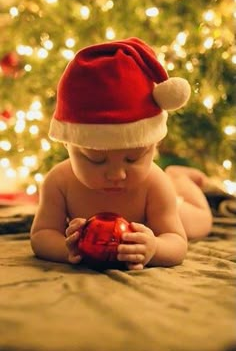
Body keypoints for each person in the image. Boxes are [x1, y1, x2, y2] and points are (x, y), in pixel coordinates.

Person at [30, 38, 212, 270]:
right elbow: (42, 235)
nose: (116, 174)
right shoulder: (58, 182)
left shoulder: (155, 184)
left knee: (201, 222)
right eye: (96, 159)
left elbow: (177, 243)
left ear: (153, 145)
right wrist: (67, 248)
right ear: (68, 144)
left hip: (165, 212)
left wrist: (154, 247)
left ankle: (181, 178)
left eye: (132, 158)